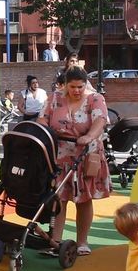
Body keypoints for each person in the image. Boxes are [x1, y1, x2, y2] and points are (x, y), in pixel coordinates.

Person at [46, 67, 110, 256]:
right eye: (72, 87)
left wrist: (89, 136)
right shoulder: (55, 98)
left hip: (86, 154)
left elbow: (100, 120)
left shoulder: (95, 98)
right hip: (61, 155)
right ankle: (55, 240)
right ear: (65, 85)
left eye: (80, 87)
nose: (76, 91)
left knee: (83, 198)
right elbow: (43, 118)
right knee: (59, 198)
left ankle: (82, 241)